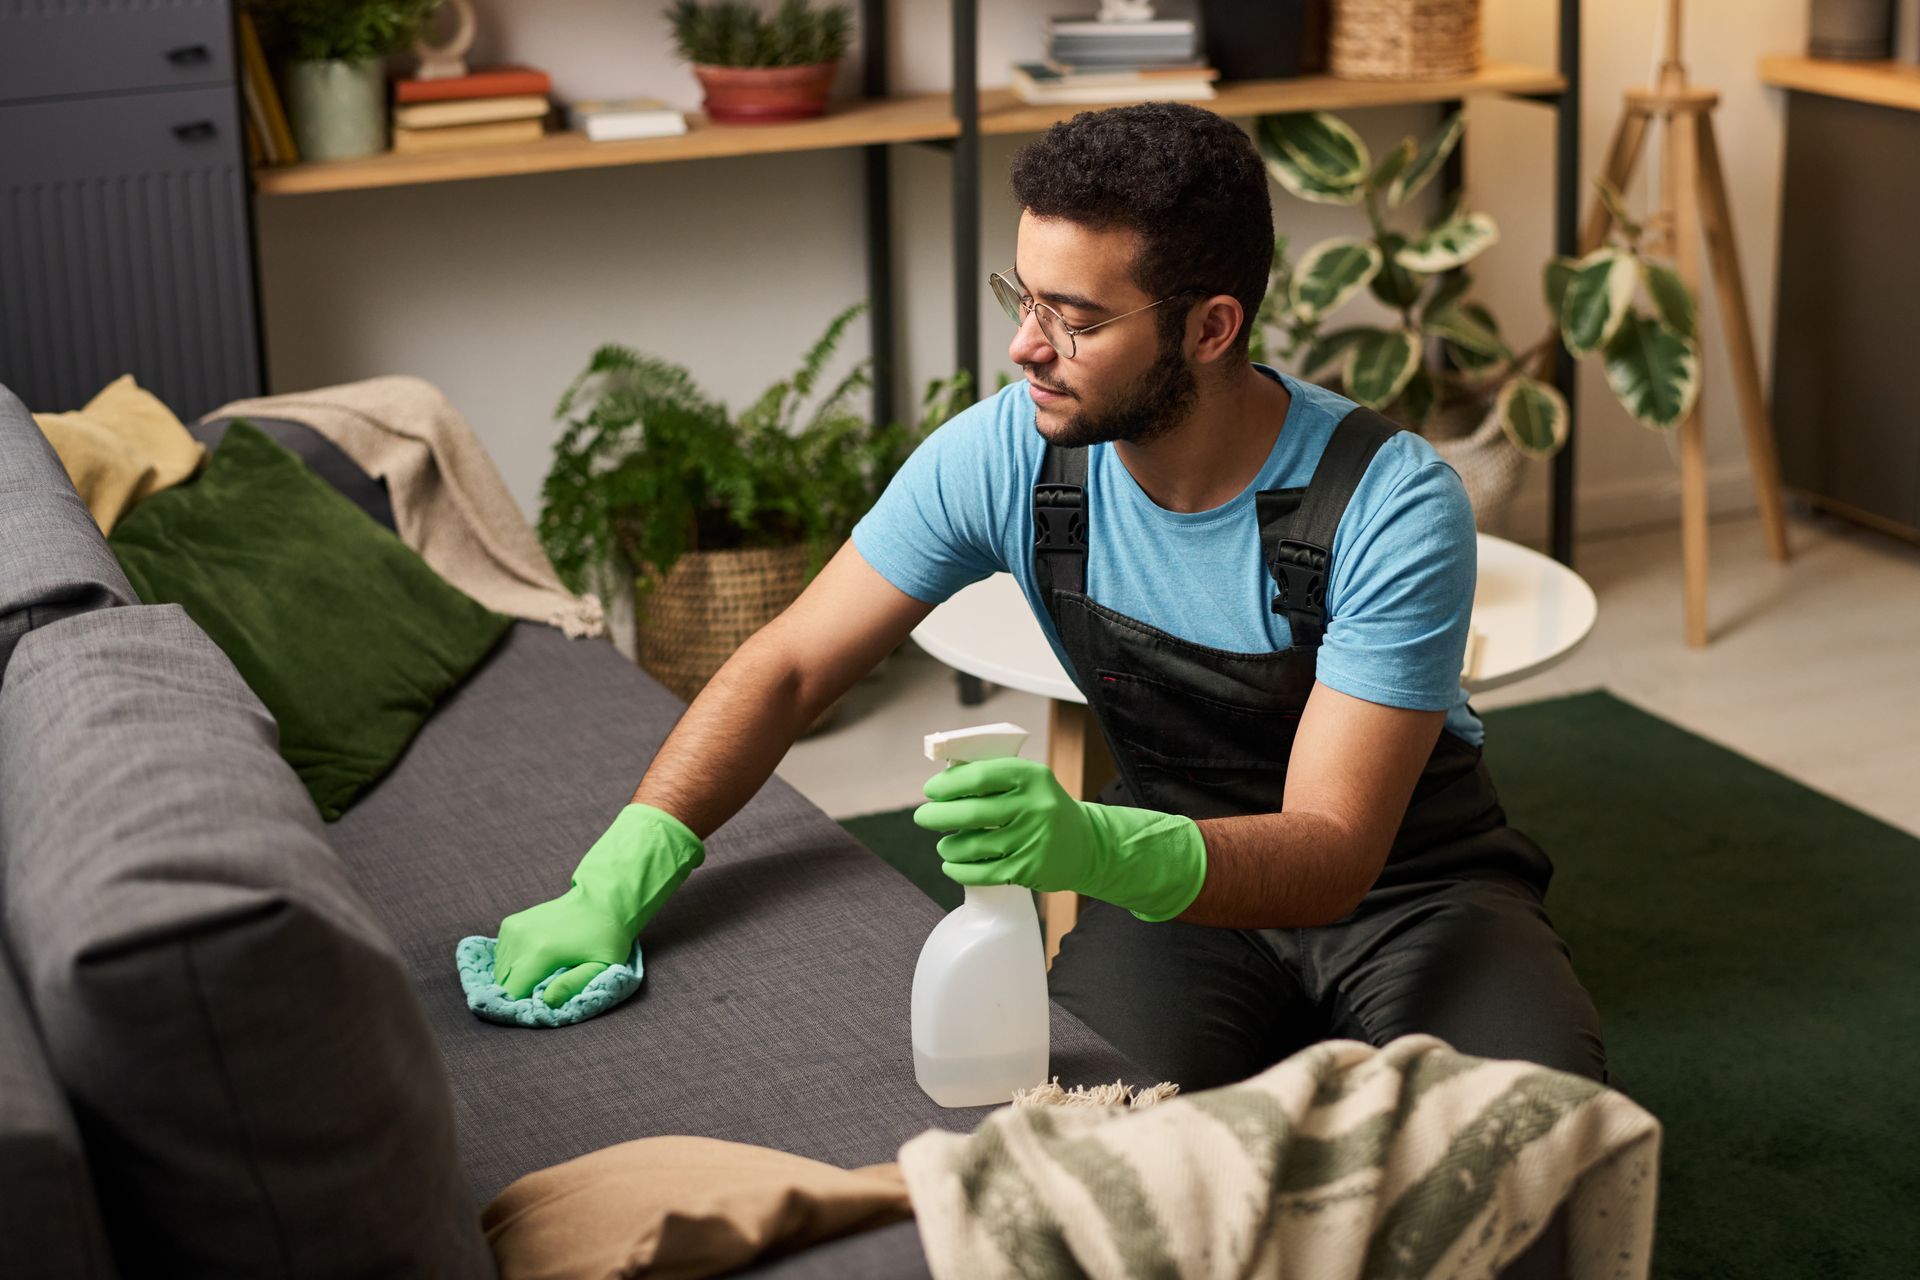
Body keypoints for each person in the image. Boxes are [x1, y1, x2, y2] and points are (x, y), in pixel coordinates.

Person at [492, 102, 1607, 1097]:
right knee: (1082, 1144)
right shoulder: (1005, 456)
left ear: (1211, 327)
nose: (1026, 345)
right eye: (1022, 297)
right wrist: (619, 872)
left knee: (1525, 1144)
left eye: (1074, 317)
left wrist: (1091, 849)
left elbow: (1333, 849)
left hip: (1411, 888)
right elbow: (789, 665)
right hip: (1171, 880)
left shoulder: (1390, 501)